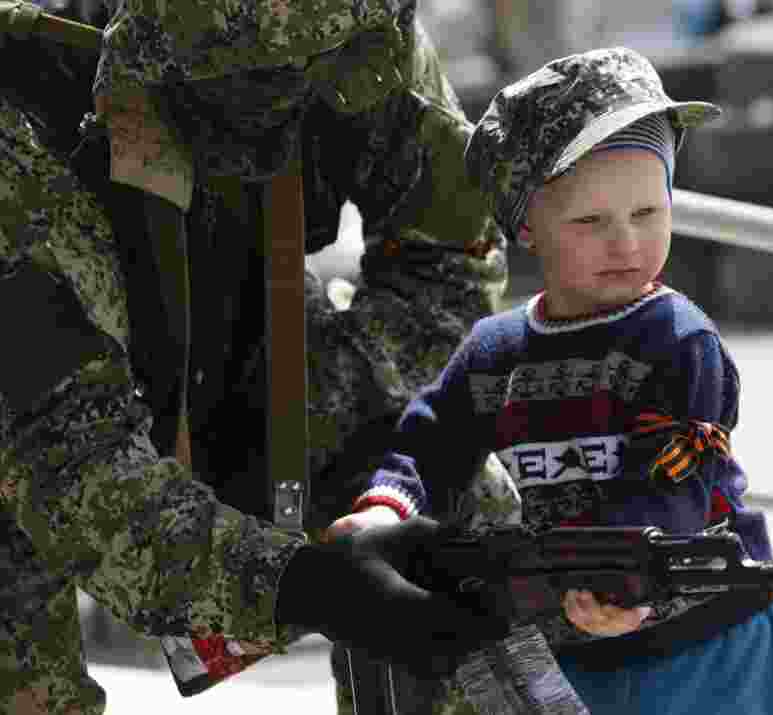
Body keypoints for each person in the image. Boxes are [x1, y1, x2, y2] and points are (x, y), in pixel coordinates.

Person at [0, 0, 514, 711]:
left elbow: (451, 271)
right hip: (32, 438)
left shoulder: (351, 36)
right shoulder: (21, 127)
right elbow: (69, 464)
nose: (279, 103)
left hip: (237, 353)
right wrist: (311, 584)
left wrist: (323, 423)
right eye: (250, 88)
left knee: (454, 493)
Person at [337, 47, 773, 714]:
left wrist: (626, 579)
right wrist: (387, 504)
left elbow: (679, 477)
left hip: (716, 647)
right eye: (592, 221)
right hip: (579, 650)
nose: (626, 241)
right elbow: (432, 437)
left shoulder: (678, 341)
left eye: (649, 213)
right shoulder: (496, 353)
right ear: (527, 227)